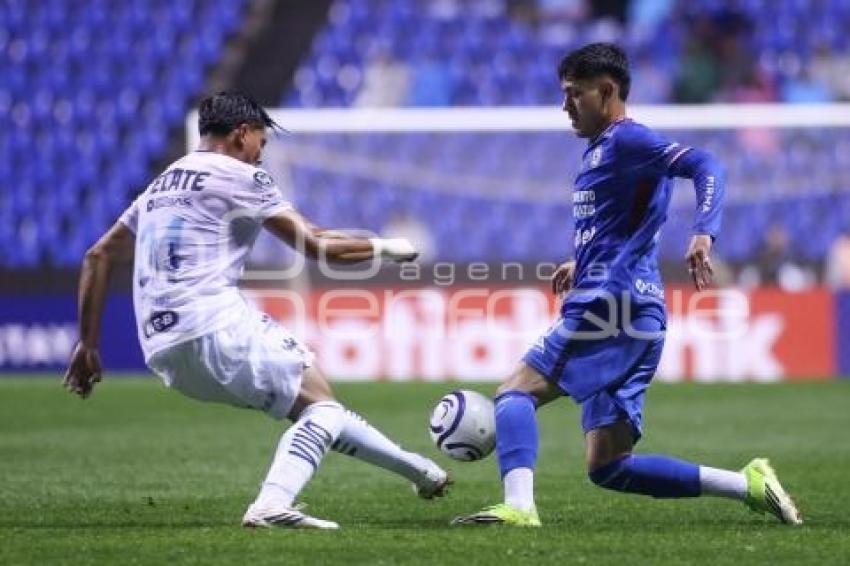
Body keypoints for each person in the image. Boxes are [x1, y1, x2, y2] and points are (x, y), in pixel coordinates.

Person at [62, 92, 450, 529]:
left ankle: (419, 471)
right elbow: (317, 244)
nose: (260, 156)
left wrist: (87, 344)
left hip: (163, 349)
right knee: (322, 411)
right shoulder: (239, 175)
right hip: (214, 325)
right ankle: (271, 504)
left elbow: (97, 255)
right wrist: (387, 248)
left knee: (316, 406)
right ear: (242, 134)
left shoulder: (161, 184)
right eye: (260, 144)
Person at [452, 43, 801, 527]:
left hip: (611, 305)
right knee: (609, 466)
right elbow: (623, 228)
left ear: (607, 90)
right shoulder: (602, 151)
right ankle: (748, 484)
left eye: (574, 93)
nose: (565, 105)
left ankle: (519, 506)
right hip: (640, 312)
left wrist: (704, 230)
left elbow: (707, 165)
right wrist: (582, 261)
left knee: (515, 393)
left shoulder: (627, 140)